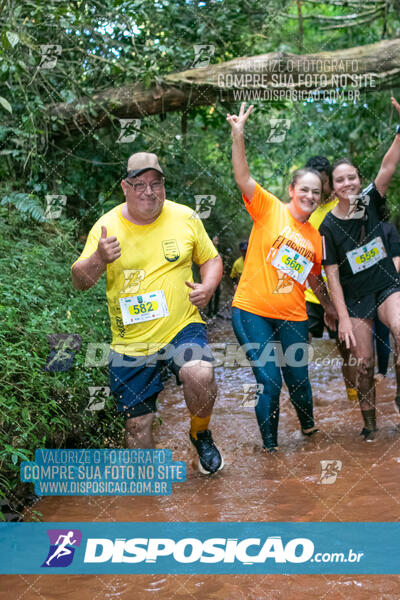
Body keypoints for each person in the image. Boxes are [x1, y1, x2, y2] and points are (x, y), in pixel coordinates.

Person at [71, 152, 224, 474]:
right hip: (131, 341)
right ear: (125, 187)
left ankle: (200, 433)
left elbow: (211, 259)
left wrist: (208, 287)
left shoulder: (185, 217)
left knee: (200, 373)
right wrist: (99, 258)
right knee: (137, 427)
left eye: (156, 184)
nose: (149, 192)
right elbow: (80, 281)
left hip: (182, 325)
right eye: (140, 185)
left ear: (164, 185)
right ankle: (149, 497)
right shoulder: (106, 226)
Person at [227, 103, 337, 452]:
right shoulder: (268, 208)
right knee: (270, 383)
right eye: (304, 189)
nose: (309, 196)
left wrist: (332, 309)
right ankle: (271, 450)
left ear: (321, 198)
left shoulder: (315, 239)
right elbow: (242, 177)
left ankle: (308, 430)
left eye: (316, 192)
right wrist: (238, 134)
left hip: (293, 315)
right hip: (253, 310)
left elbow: (313, 279)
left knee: (300, 382)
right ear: (292, 189)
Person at [320, 97, 400, 441]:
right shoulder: (327, 226)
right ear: (332, 188)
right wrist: (341, 320)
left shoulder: (369, 202)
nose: (348, 184)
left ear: (359, 180)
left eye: (352, 177)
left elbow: (388, 168)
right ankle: (369, 425)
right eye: (340, 180)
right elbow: (332, 276)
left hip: (386, 285)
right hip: (353, 299)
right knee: (363, 364)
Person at [304, 156, 358, 405]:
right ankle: (303, 403)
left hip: (343, 292)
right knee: (299, 348)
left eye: (322, 183)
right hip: (309, 293)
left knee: (348, 348)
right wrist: (325, 303)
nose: (317, 189)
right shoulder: (303, 211)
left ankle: (353, 399)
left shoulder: (343, 207)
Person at [207, 235, 222, 317]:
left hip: (218, 275)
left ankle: (216, 311)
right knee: (210, 292)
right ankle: (209, 311)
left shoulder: (217, 250)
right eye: (215, 240)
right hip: (210, 275)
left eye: (217, 240)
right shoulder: (209, 250)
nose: (217, 242)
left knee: (217, 292)